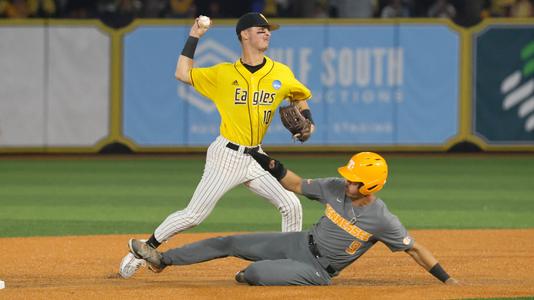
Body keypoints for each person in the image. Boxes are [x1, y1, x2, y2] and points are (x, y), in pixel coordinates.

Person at [119, 12, 316, 278]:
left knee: (291, 204)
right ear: (244, 35)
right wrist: (194, 36)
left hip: (256, 156)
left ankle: (292, 264)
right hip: (227, 155)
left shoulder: (281, 72)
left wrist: (308, 123)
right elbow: (182, 73)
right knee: (194, 215)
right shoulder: (223, 73)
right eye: (261, 29)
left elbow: (299, 96)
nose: (267, 33)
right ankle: (143, 250)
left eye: (269, 30)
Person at [127, 151, 459, 286]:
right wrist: (270, 164)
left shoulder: (382, 219)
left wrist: (447, 280)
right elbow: (297, 184)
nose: (347, 180)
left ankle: (260, 274)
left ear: (371, 184)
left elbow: (414, 248)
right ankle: (162, 259)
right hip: (299, 242)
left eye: (355, 178)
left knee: (251, 274)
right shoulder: (335, 188)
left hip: (317, 270)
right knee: (228, 241)